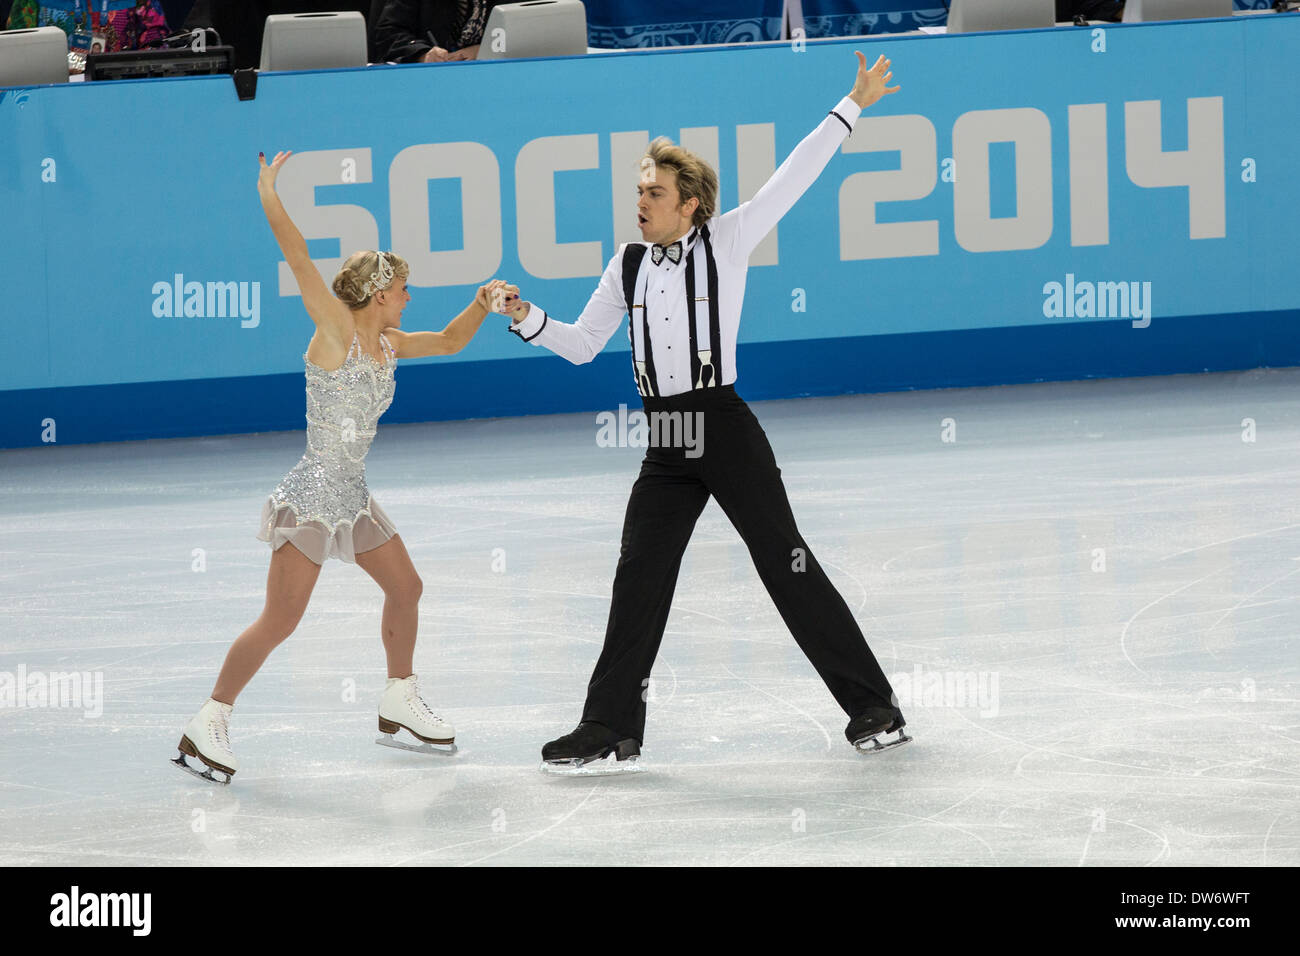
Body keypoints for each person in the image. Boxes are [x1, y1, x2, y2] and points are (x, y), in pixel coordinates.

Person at [502, 53, 911, 772]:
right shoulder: (626, 262)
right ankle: (610, 726)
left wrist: (852, 104)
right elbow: (581, 344)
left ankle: (873, 705)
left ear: (690, 203)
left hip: (721, 425)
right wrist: (523, 313)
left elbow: (796, 174)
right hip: (667, 438)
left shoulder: (728, 240)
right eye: (639, 191)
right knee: (638, 576)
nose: (641, 202)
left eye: (654, 192)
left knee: (785, 561)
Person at [172, 149, 514, 784]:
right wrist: (269, 189)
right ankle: (209, 718)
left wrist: (482, 302)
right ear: (382, 294)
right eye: (405, 291)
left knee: (406, 587)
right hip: (312, 496)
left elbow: (448, 340)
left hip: (352, 494)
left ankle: (398, 696)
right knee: (281, 620)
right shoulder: (335, 332)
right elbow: (299, 256)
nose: (410, 300)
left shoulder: (388, 343)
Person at [372, 0, 501, 64]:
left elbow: (516, 26)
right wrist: (423, 53)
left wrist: (483, 49)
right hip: (425, 79)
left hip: (484, 73)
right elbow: (388, 33)